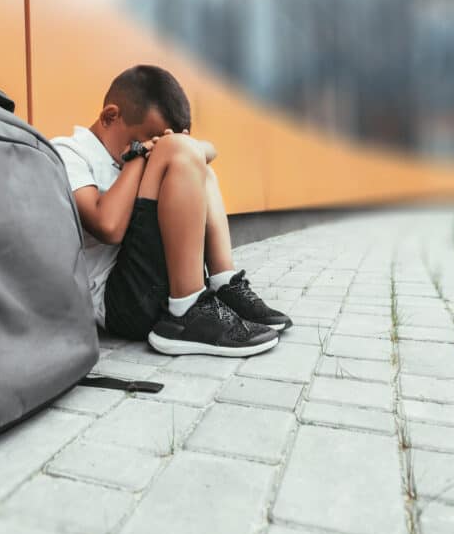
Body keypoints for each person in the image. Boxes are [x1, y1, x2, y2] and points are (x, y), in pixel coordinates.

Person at [50, 65, 292, 357]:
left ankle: (223, 284)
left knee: (202, 170)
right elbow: (108, 226)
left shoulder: (146, 149)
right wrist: (139, 156)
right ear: (110, 117)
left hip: (149, 283)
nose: (151, 148)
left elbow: (207, 150)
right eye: (145, 140)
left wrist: (176, 147)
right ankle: (186, 311)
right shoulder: (68, 152)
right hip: (119, 304)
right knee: (182, 154)